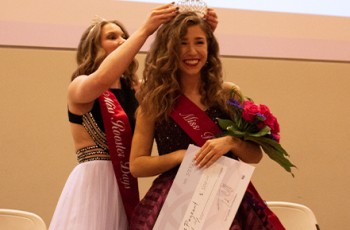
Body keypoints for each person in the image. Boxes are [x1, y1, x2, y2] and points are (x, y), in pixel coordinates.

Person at [129, 12, 285, 230]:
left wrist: (231, 142)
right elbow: (137, 165)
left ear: (209, 47)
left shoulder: (228, 94)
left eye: (199, 42)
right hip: (175, 197)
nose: (192, 51)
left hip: (227, 198)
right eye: (182, 43)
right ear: (168, 49)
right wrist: (180, 156)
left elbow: (254, 156)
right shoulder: (155, 100)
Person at [49, 3, 179, 230]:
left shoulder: (137, 90)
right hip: (94, 183)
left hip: (125, 183)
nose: (122, 41)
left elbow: (173, 76)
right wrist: (145, 30)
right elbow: (101, 80)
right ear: (93, 48)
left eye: (124, 36)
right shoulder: (80, 85)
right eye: (112, 37)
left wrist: (200, 31)